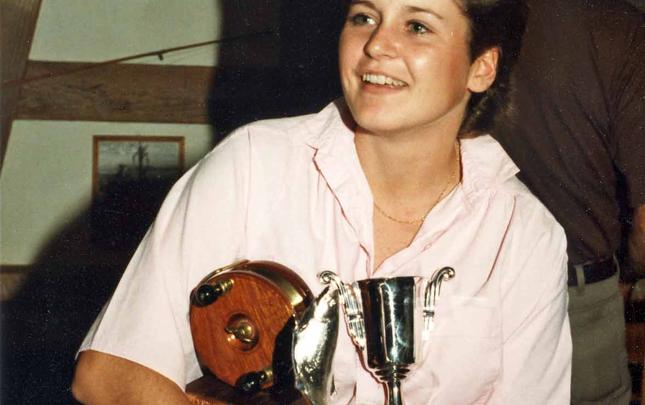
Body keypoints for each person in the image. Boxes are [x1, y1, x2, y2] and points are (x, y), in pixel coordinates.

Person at [72, 0, 571, 404]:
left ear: (481, 68)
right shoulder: (254, 165)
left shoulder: (523, 233)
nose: (376, 45)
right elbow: (110, 371)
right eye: (364, 17)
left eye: (417, 26)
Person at [492, 0, 645, 403]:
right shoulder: (621, 29)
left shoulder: (469, 14)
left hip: (471, 293)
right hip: (580, 302)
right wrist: (626, 276)